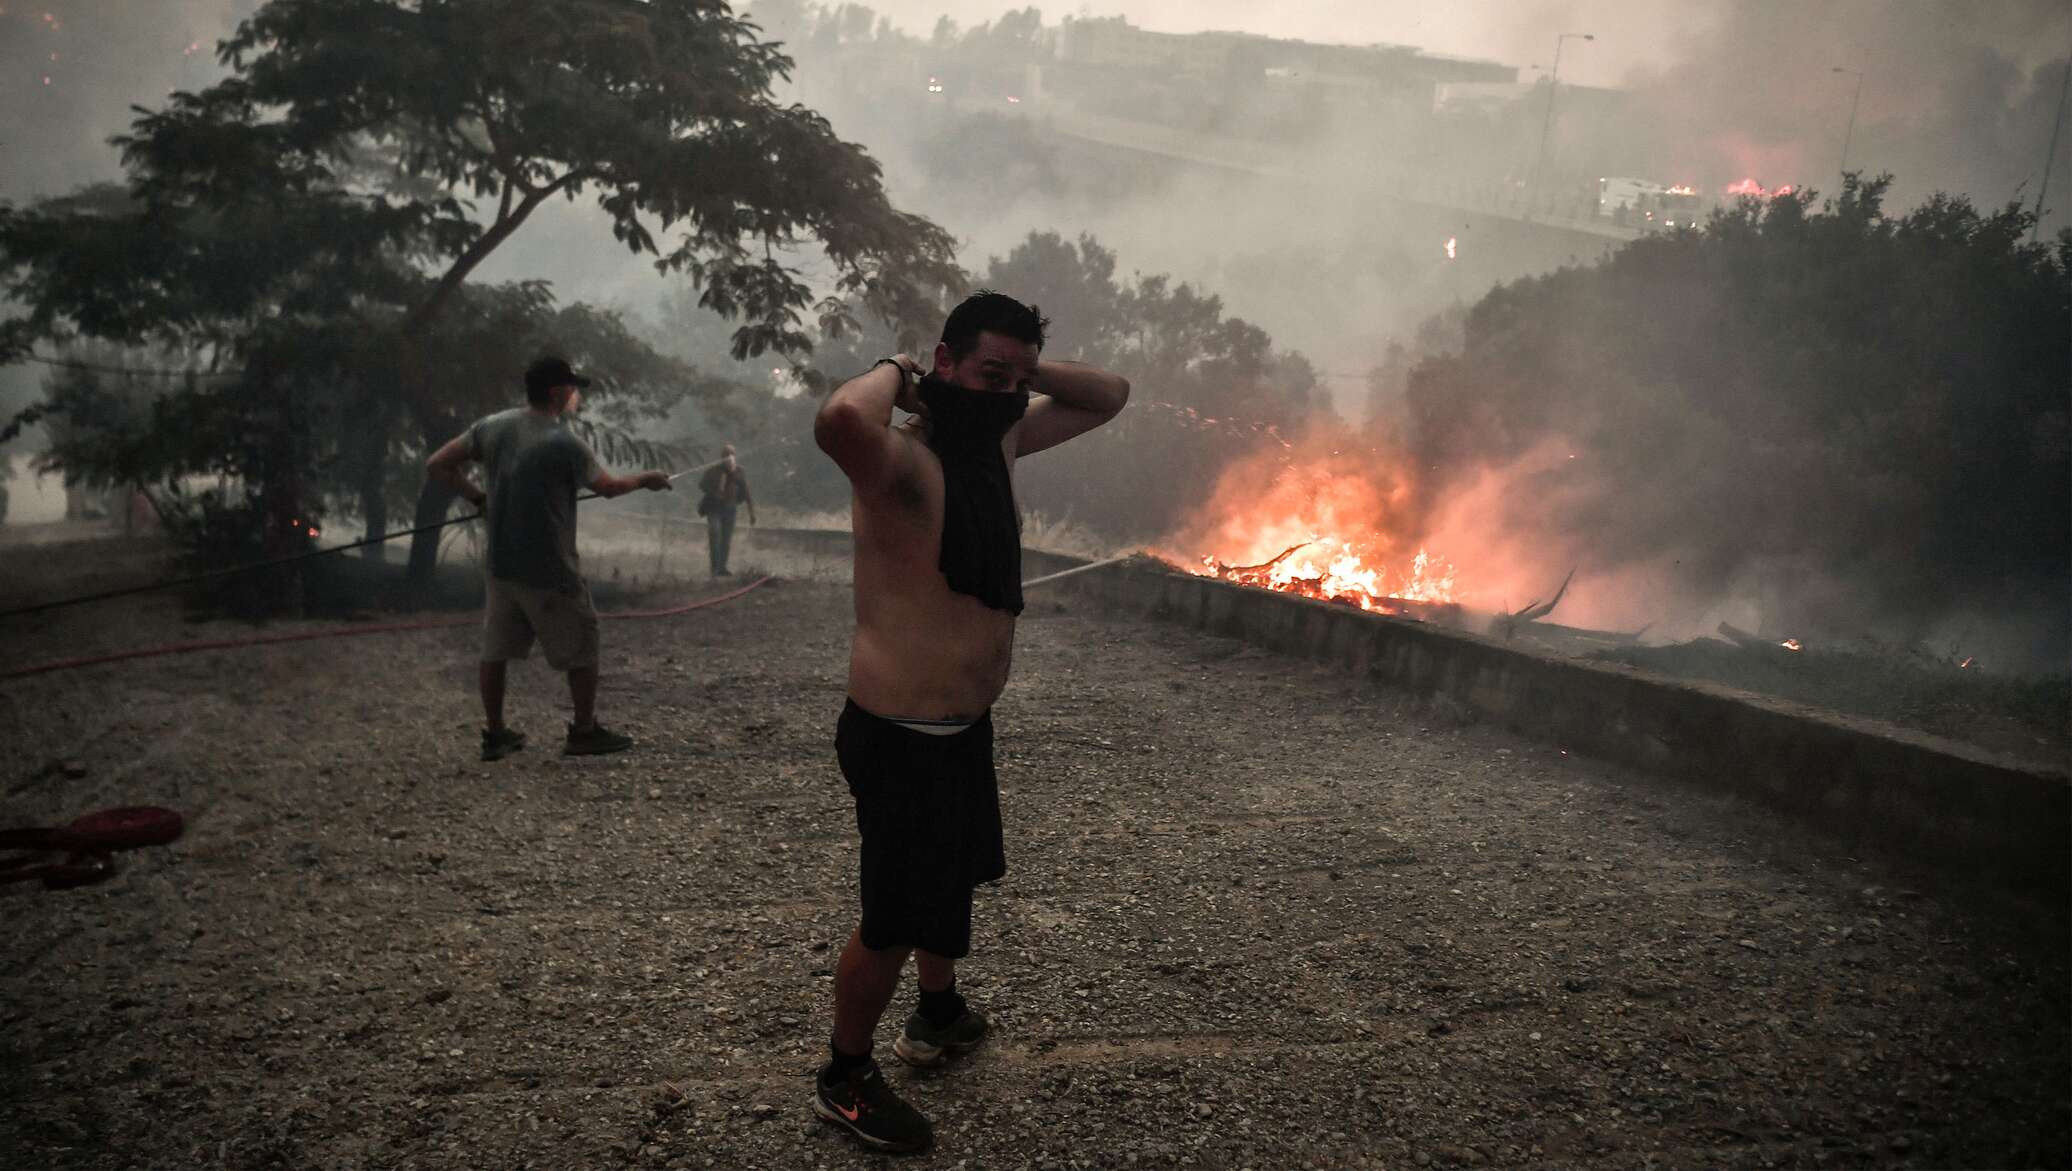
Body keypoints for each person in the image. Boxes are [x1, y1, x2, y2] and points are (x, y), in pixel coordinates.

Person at [807, 291, 1129, 1152]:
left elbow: (1111, 394)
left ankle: (938, 1013)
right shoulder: (899, 464)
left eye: (1018, 381)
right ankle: (844, 1076)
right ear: (945, 367)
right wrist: (903, 372)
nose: (1008, 395)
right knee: (896, 914)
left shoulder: (1002, 439)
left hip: (960, 725)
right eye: (989, 374)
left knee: (948, 876)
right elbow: (840, 416)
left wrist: (1017, 375)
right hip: (901, 733)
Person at [425, 354, 675, 761]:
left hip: (501, 565)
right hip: (550, 567)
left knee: (496, 650)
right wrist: (646, 479)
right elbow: (608, 486)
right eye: (573, 389)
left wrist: (477, 498)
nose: (577, 396)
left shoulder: (491, 426)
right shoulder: (563, 442)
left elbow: (437, 464)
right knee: (583, 642)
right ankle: (583, 731)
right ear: (558, 393)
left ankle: (496, 734)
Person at [696, 443, 756, 577]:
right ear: (721, 457)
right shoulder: (713, 470)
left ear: (735, 456)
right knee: (715, 533)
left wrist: (751, 512)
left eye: (732, 454)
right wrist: (714, 491)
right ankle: (715, 568)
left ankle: (722, 567)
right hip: (714, 508)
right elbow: (702, 485)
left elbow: (746, 492)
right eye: (726, 454)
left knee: (726, 539)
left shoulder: (739, 471)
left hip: (730, 508)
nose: (729, 457)